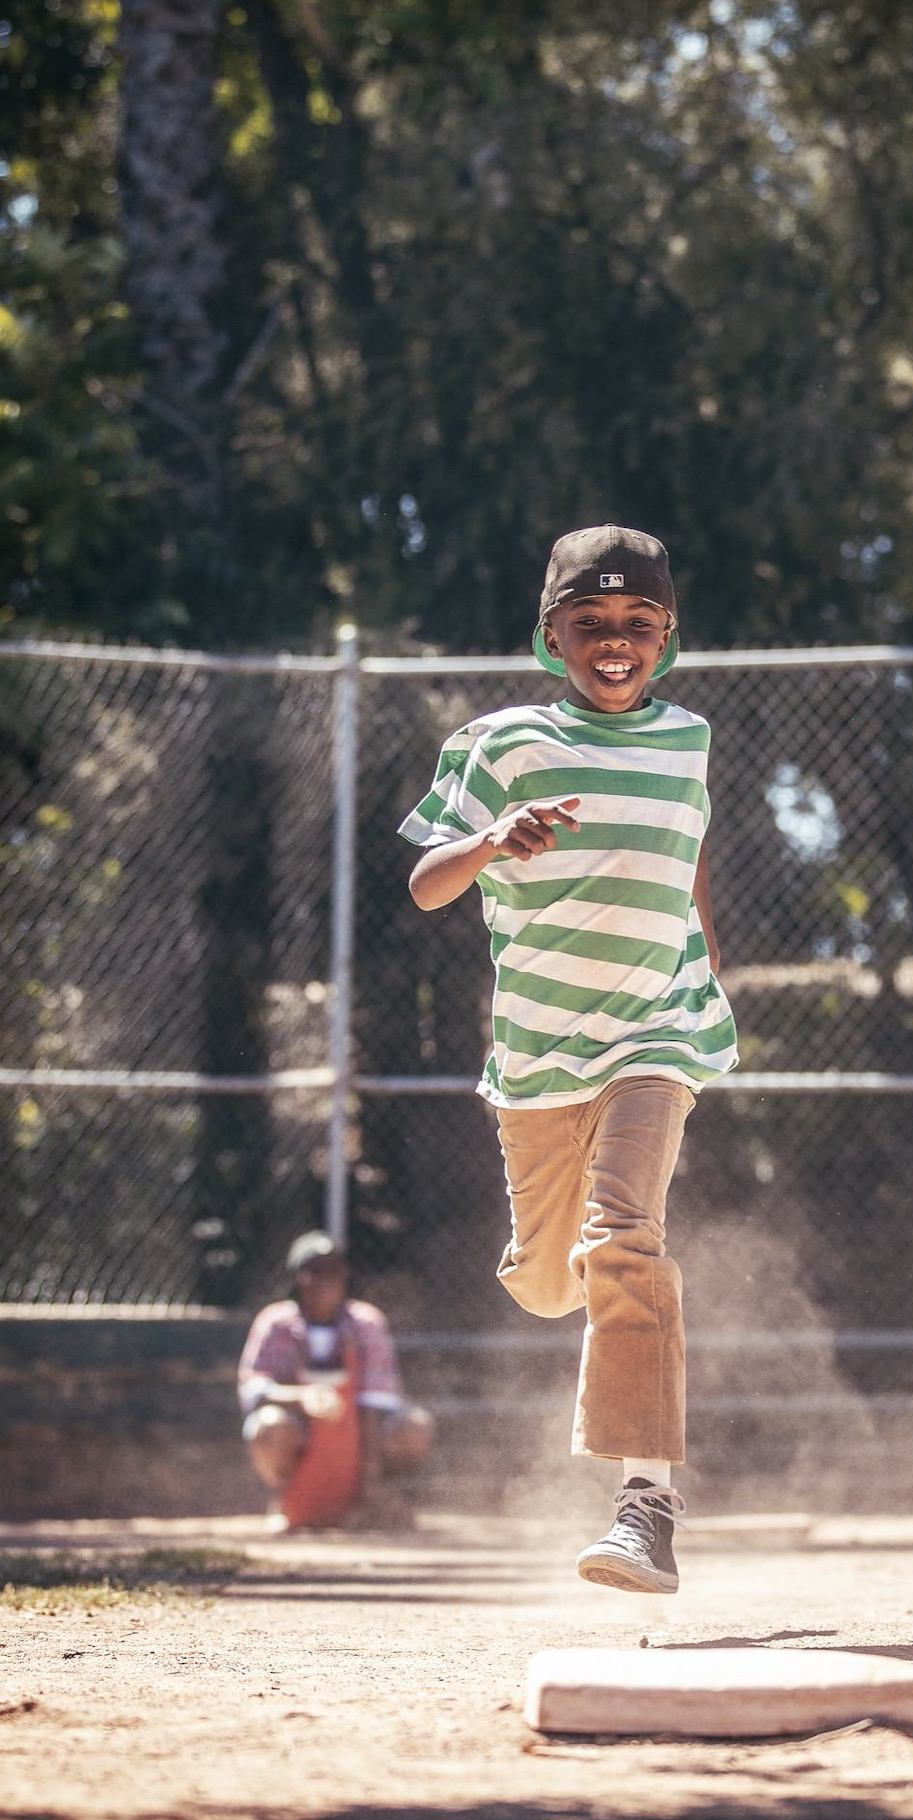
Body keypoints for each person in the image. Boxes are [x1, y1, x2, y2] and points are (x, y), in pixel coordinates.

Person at [399, 524, 737, 1593]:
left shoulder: (689, 739)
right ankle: (583, 1283)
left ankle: (646, 1505)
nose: (615, 640)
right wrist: (493, 837)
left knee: (626, 1237)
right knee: (554, 1284)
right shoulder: (501, 744)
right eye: (590, 622)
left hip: (656, 1033)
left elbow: (688, 862)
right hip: (540, 1057)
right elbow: (426, 883)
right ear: (552, 635)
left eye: (639, 621)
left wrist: (708, 976)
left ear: (668, 635)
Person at [238, 1229, 434, 1528]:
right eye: (314, 1271)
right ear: (297, 1278)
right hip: (301, 1432)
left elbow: (375, 1403)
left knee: (413, 1427)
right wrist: (302, 1397)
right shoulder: (276, 1322)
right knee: (269, 1426)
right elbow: (254, 1387)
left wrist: (366, 1489)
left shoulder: (365, 1322)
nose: (324, 1280)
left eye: (333, 1271)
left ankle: (377, 1502)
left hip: (359, 1433)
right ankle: (288, 1502)